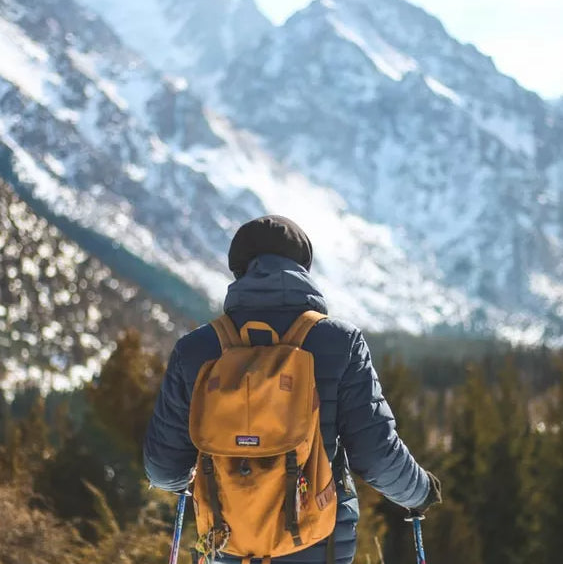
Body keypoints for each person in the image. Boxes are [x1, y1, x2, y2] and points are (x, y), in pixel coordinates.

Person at [144, 215, 442, 563]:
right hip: (317, 544)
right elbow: (375, 454)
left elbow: (163, 470)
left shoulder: (196, 349)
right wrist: (420, 491)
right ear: (303, 269)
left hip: (227, 544)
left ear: (238, 270)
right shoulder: (340, 342)